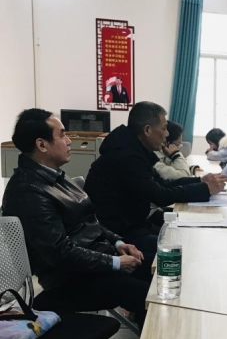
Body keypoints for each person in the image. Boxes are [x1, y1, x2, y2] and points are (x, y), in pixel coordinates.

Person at [2, 109, 150, 327]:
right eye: (62, 135)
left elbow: (91, 220)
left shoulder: (55, 176)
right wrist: (115, 263)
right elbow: (60, 253)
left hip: (93, 265)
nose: (69, 141)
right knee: (151, 295)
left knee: (159, 270)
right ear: (42, 145)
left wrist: (118, 243)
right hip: (68, 280)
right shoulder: (28, 191)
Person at [85, 102, 226, 262]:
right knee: (187, 250)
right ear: (147, 130)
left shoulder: (134, 150)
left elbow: (163, 184)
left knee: (189, 236)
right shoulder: (125, 157)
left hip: (136, 224)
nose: (167, 134)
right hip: (120, 236)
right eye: (164, 128)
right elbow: (160, 196)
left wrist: (200, 180)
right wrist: (205, 189)